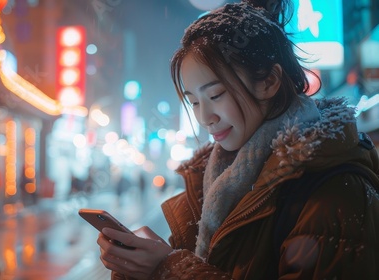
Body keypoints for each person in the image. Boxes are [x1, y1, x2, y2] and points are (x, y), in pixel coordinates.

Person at [96, 0, 379, 279]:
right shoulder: (212, 181)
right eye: (194, 102)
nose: (205, 117)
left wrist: (167, 269)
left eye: (216, 95)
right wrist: (138, 267)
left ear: (268, 81)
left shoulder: (333, 187)